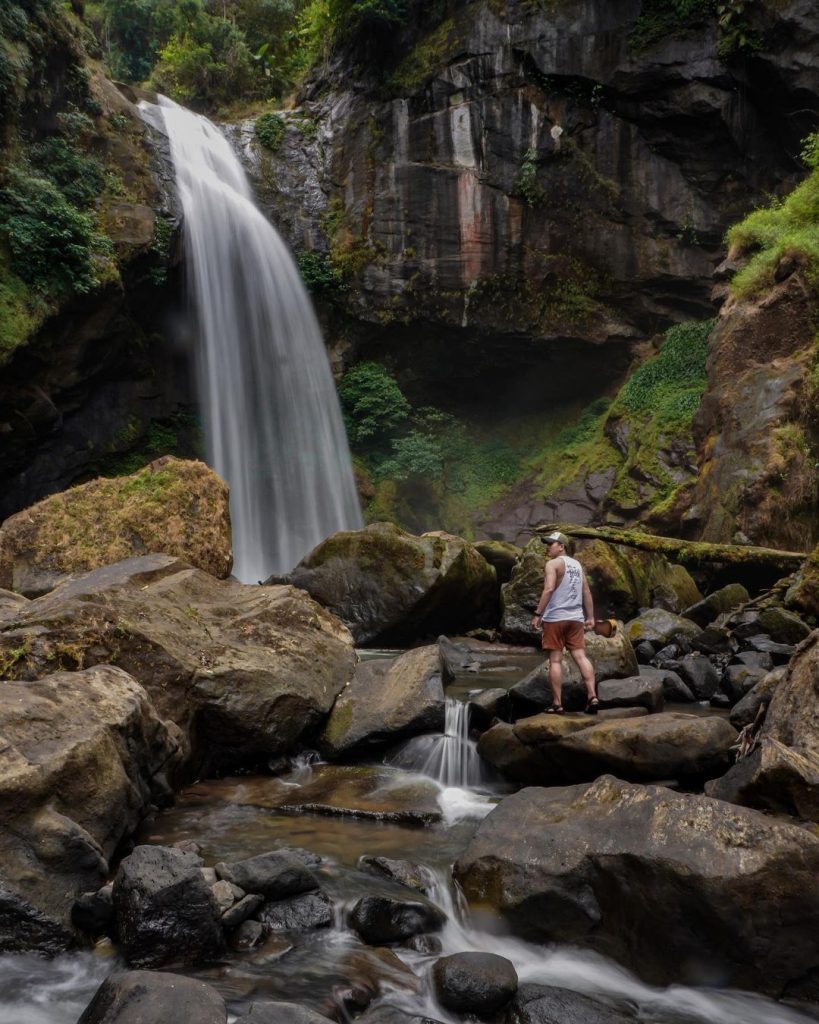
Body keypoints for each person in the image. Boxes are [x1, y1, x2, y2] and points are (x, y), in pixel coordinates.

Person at [529, 531, 598, 715]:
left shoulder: (553, 564)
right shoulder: (577, 565)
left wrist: (538, 614)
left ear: (562, 546)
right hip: (576, 619)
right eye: (548, 544)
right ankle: (592, 696)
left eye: (551, 544)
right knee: (581, 657)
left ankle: (557, 704)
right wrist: (590, 617)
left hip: (555, 618)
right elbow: (586, 593)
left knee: (556, 660)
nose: (548, 547)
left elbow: (549, 588)